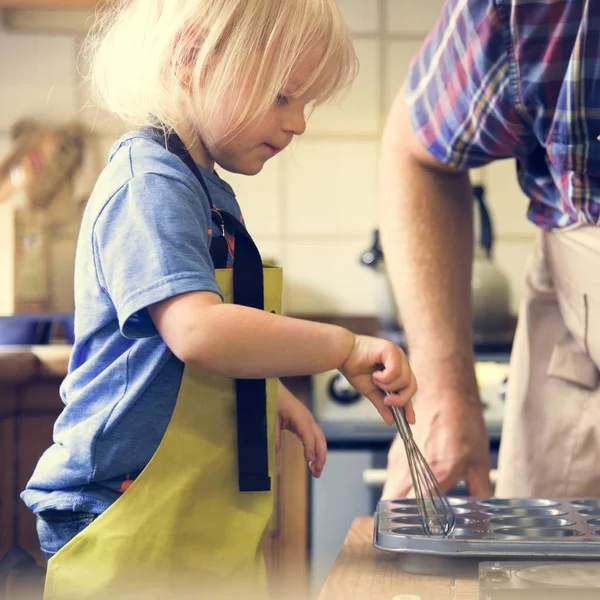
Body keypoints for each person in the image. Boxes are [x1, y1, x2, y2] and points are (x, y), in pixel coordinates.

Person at [16, 1, 418, 599]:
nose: (299, 123)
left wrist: (267, 391)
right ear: (191, 57)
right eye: (283, 96)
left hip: (184, 518)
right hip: (120, 515)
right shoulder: (149, 185)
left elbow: (170, 351)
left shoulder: (200, 186)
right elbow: (198, 331)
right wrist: (341, 345)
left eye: (305, 103)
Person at [379, 0, 600, 501]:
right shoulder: (527, 9)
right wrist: (444, 391)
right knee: (545, 577)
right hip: (578, 367)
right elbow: (419, 152)